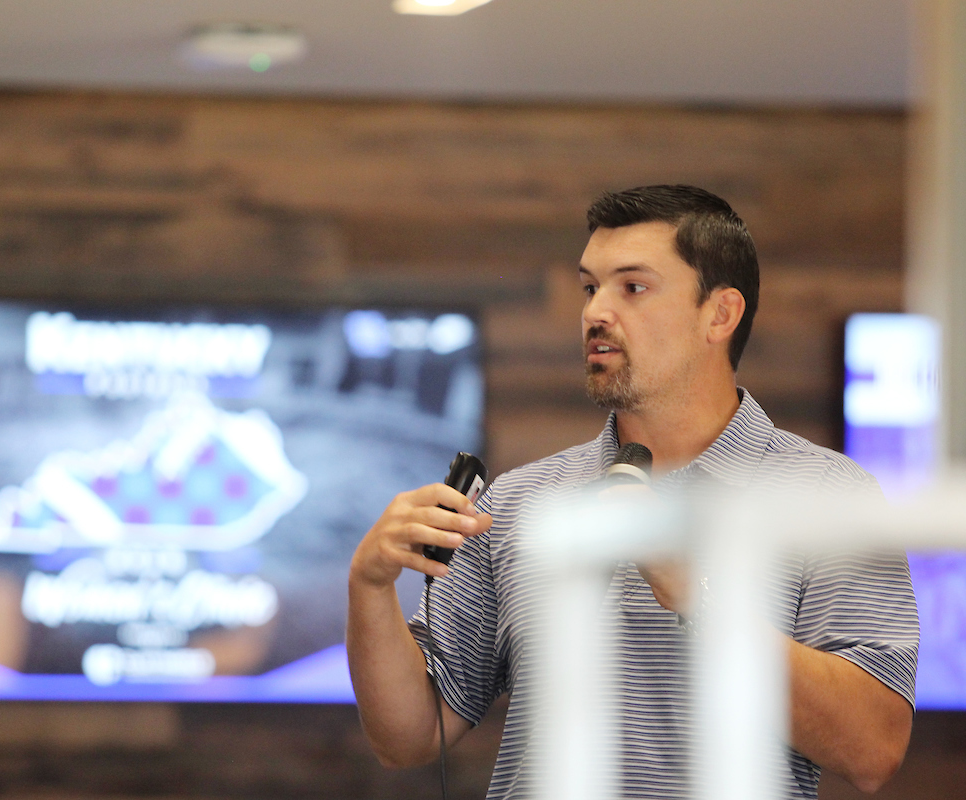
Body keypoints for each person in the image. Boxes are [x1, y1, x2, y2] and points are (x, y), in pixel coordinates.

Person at [346, 185, 919, 799]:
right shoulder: (515, 503)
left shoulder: (828, 496)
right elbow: (406, 739)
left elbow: (873, 750)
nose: (596, 312)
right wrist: (369, 584)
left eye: (633, 287)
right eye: (591, 287)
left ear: (720, 315)